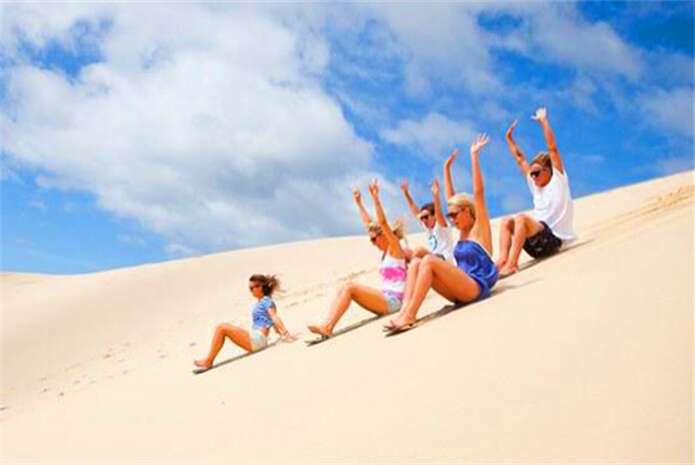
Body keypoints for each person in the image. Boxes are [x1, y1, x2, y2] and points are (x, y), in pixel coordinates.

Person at [385, 134, 499, 332]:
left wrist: (474, 156)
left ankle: (410, 316)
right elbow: (450, 197)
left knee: (428, 261)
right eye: (449, 215)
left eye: (454, 214)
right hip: (459, 288)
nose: (451, 219)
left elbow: (479, 193)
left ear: (467, 211)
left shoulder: (479, 229)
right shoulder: (460, 233)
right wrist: (446, 169)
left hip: (476, 287)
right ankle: (403, 312)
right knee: (416, 263)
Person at [307, 179, 407, 338]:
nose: (372, 242)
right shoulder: (385, 253)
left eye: (374, 239)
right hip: (385, 299)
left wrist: (376, 199)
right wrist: (359, 203)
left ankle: (327, 327)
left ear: (384, 235)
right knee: (343, 287)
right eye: (370, 239)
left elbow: (382, 223)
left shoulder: (395, 248)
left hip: (394, 302)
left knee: (350, 287)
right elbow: (369, 224)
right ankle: (326, 323)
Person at [497, 107, 576, 277]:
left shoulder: (558, 180)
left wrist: (543, 121)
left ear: (548, 171)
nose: (532, 177)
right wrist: (509, 139)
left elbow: (552, 149)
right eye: (531, 174)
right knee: (506, 221)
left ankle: (512, 264)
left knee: (521, 218)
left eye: (536, 173)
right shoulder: (535, 186)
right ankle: (501, 262)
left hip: (553, 241)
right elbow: (520, 159)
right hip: (535, 244)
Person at [194, 274, 295, 370]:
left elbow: (274, 316)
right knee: (221, 328)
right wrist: (279, 333)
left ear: (260, 287)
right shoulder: (261, 302)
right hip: (256, 339)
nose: (251, 291)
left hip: (258, 339)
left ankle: (208, 361)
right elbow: (270, 320)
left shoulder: (266, 301)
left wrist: (285, 333)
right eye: (250, 288)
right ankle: (209, 360)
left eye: (252, 288)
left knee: (222, 327)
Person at [400, 173, 454, 261]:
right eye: (422, 218)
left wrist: (436, 196)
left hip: (445, 259)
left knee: (419, 251)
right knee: (407, 253)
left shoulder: (441, 225)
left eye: (426, 217)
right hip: (434, 259)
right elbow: (414, 209)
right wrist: (406, 194)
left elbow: (438, 212)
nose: (423, 220)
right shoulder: (427, 227)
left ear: (434, 216)